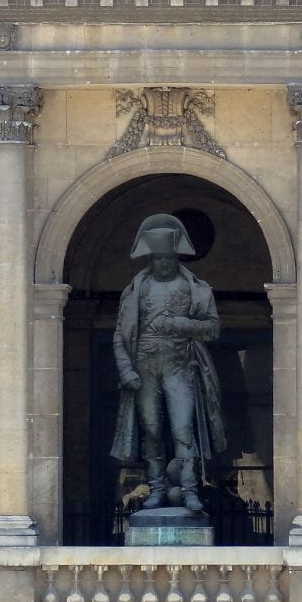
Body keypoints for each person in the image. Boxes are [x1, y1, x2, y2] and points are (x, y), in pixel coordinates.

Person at [110, 214, 226, 512]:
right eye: (158, 257)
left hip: (179, 366)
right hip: (144, 367)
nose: (162, 263)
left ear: (176, 256)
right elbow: (119, 336)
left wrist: (179, 324)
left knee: (183, 429)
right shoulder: (136, 289)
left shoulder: (194, 288)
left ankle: (189, 490)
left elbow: (212, 328)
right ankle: (157, 488)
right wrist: (125, 369)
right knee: (151, 431)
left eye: (168, 257)